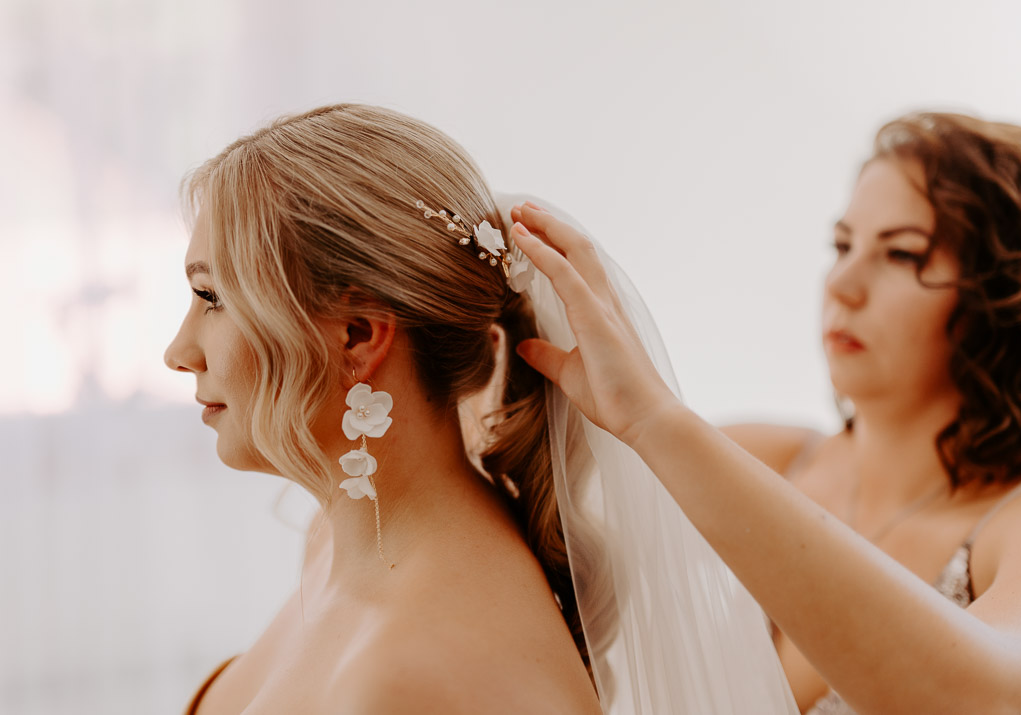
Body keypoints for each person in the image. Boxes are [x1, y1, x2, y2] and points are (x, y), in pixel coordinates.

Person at [168, 103, 796, 715]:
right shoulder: (335, 539)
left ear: (358, 336)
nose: (178, 352)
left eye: (211, 297)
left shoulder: (414, 684)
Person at [509, 111, 1021, 713]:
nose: (843, 285)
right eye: (843, 246)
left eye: (903, 254)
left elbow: (1000, 701)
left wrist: (654, 419)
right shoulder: (763, 456)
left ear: (1008, 295)